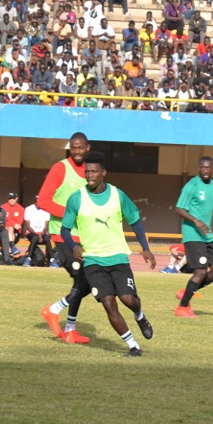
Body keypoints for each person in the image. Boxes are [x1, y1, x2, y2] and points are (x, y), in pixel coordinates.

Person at [61, 151, 154, 355]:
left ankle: (139, 315)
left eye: (94, 171)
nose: (90, 175)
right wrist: (73, 246)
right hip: (93, 260)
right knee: (108, 303)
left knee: (128, 299)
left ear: (103, 172)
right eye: (87, 172)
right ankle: (133, 347)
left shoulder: (118, 195)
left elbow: (135, 221)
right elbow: (64, 230)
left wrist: (145, 248)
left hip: (118, 257)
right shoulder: (76, 199)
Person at [38, 132, 91, 343]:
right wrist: (71, 213)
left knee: (84, 282)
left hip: (85, 236)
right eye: (74, 148)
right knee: (85, 282)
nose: (77, 151)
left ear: (88, 148)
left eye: (81, 148)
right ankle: (54, 311)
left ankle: (69, 329)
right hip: (64, 236)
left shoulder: (90, 170)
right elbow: (43, 201)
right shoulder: (60, 168)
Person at [173, 155, 213, 318]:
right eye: (203, 167)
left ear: (212, 169)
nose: (205, 170)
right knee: (201, 271)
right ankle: (182, 307)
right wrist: (196, 221)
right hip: (193, 235)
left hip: (207, 235)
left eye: (208, 167)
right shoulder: (192, 185)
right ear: (199, 168)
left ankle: (188, 291)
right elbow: (179, 208)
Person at [23, 196, 53, 267]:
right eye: (37, 202)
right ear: (34, 202)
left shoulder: (46, 209)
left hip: (42, 231)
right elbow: (27, 225)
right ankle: (28, 259)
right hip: (31, 232)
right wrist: (37, 234)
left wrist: (42, 233)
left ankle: (52, 260)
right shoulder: (28, 209)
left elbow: (46, 224)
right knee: (35, 238)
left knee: (47, 239)